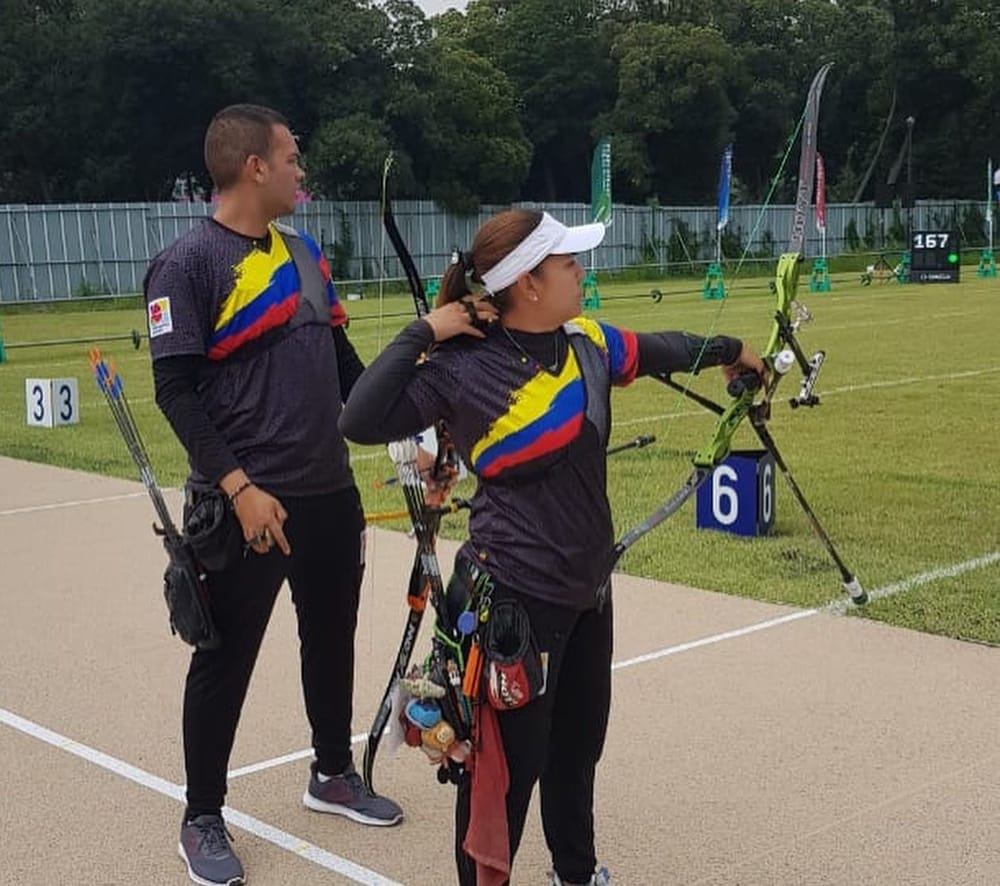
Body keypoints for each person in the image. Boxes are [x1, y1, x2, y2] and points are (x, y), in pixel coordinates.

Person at [338, 208, 765, 886]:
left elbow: (662, 347)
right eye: (568, 263)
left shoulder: (588, 341)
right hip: (513, 601)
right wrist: (427, 330)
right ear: (529, 283)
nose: (581, 272)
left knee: (577, 750)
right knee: (504, 777)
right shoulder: (462, 368)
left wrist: (733, 349)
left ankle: (575, 871)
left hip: (588, 590)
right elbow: (358, 418)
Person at [144, 103, 403, 886]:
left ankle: (330, 773)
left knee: (331, 638)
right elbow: (175, 392)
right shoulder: (185, 264)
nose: (301, 170)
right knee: (223, 662)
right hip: (244, 506)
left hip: (328, 494)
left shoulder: (304, 254)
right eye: (292, 157)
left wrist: (406, 428)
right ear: (254, 165)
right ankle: (202, 816)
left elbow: (345, 366)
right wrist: (238, 486)